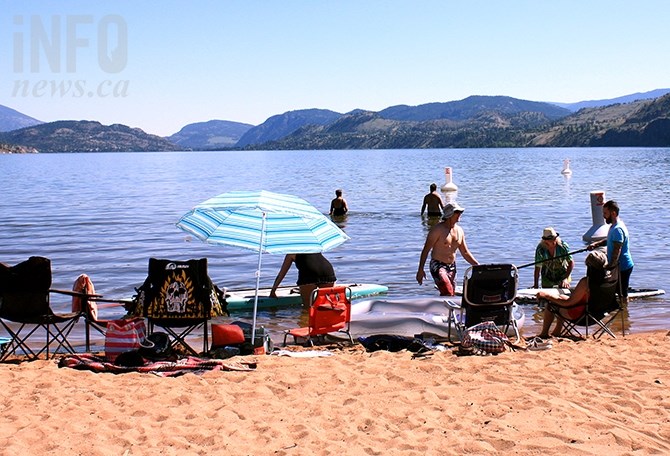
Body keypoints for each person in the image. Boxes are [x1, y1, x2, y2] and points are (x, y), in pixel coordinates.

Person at [536, 250, 608, 338]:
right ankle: (557, 331)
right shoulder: (608, 280)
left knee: (552, 304)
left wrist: (547, 296)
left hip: (582, 317)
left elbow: (569, 303)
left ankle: (544, 333)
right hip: (599, 314)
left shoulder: (586, 282)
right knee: (562, 297)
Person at [416, 202, 479, 296]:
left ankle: (443, 309)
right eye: (457, 212)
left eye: (460, 212)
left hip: (452, 266)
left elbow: (465, 252)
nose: (460, 214)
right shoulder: (437, 230)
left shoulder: (460, 231)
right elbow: (426, 250)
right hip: (437, 265)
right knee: (448, 291)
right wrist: (420, 270)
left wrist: (477, 265)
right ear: (450, 214)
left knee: (451, 293)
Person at [587, 200, 634, 304]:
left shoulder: (618, 229)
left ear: (613, 213)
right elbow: (609, 241)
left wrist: (609, 267)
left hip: (623, 267)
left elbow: (617, 251)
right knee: (616, 291)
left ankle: (625, 313)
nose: (604, 216)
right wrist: (596, 244)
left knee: (622, 293)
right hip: (617, 266)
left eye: (605, 213)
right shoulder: (614, 226)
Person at [269, 253, 336, 306]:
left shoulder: (291, 253)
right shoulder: (314, 248)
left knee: (308, 308)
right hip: (328, 272)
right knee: (327, 304)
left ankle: (306, 322)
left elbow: (282, 273)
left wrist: (273, 290)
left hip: (309, 274)